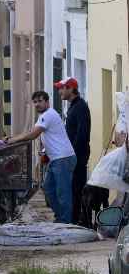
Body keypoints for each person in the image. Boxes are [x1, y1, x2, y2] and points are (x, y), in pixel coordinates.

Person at [7, 91, 76, 223]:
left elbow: (33, 134)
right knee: (48, 188)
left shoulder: (48, 115)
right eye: (35, 102)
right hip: (56, 159)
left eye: (40, 101)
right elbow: (31, 132)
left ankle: (66, 222)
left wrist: (12, 140)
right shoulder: (44, 116)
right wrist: (13, 139)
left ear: (47, 102)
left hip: (63, 159)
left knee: (63, 193)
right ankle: (61, 217)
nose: (37, 104)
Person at [57, 77, 91, 224]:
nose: (60, 92)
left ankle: (75, 221)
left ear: (71, 88)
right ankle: (72, 219)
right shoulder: (73, 106)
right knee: (71, 189)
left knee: (76, 190)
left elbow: (82, 134)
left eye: (62, 88)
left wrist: (73, 154)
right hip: (71, 156)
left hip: (77, 156)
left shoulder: (81, 107)